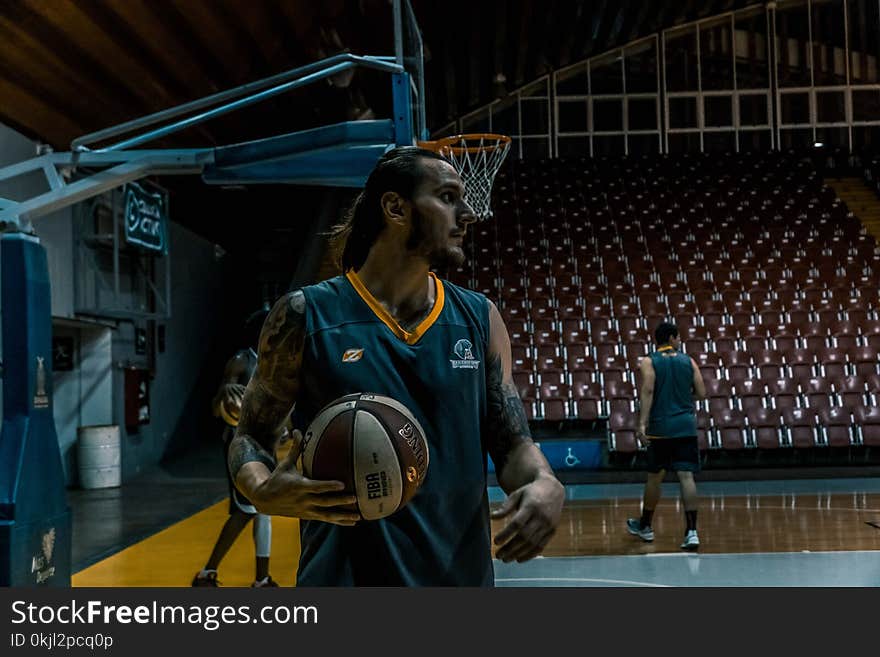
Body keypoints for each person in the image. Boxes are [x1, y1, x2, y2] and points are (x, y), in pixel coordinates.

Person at [227, 146, 565, 586]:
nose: (468, 214)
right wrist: (260, 488)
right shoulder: (306, 315)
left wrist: (544, 481)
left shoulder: (479, 319)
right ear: (395, 207)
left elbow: (513, 443)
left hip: (457, 584)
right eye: (447, 197)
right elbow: (251, 434)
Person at [192, 306, 280, 588]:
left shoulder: (274, 361)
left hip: (264, 439)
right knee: (246, 511)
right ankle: (208, 573)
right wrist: (223, 396)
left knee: (262, 508)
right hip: (240, 441)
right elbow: (216, 410)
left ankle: (261, 578)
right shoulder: (241, 361)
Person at [627, 321, 707, 551]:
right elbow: (701, 393)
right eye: (679, 337)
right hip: (685, 426)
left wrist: (641, 424)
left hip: (661, 428)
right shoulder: (689, 361)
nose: (680, 341)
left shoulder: (649, 361)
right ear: (671, 338)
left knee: (655, 477)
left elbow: (648, 390)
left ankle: (646, 526)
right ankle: (691, 532)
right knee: (686, 477)